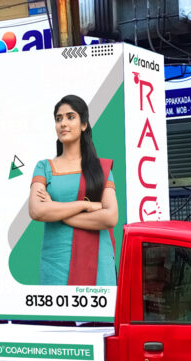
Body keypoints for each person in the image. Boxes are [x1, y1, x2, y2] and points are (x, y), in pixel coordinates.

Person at [28, 94, 118, 286]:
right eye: (58, 119)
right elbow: (36, 210)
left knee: (97, 316)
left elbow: (110, 217)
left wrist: (56, 209)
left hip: (97, 265)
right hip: (56, 264)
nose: (63, 123)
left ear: (84, 124)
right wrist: (85, 205)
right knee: (57, 316)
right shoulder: (44, 167)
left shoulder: (100, 169)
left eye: (70, 117)